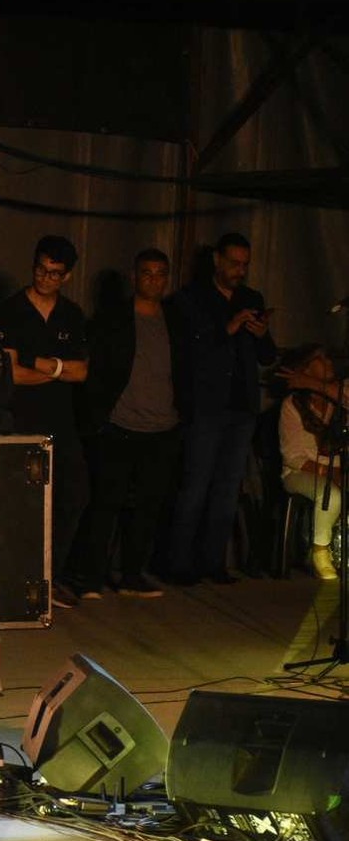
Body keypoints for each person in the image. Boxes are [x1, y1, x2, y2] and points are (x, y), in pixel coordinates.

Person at [165, 233, 277, 584]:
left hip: (241, 407)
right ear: (217, 260)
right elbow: (186, 355)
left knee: (228, 488)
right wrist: (227, 329)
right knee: (195, 485)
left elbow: (267, 357)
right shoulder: (191, 300)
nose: (239, 271)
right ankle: (178, 564)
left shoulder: (251, 298)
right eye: (233, 263)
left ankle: (213, 562)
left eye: (244, 265)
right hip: (207, 406)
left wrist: (261, 334)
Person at [71, 248, 181, 598]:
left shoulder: (174, 319)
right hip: (119, 425)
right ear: (135, 277)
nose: (154, 280)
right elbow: (97, 371)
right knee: (106, 504)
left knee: (148, 507)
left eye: (160, 274)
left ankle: (132, 575)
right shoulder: (114, 319)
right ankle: (91, 578)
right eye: (147, 273)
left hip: (162, 427)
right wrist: (99, 417)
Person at [0, 235, 89, 607]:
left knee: (74, 494)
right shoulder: (10, 311)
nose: (46, 278)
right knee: (20, 502)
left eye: (54, 273)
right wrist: (60, 370)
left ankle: (51, 577)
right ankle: (17, 581)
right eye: (41, 270)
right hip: (20, 419)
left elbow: (82, 372)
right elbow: (12, 373)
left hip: (62, 420)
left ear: (67, 276)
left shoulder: (72, 314)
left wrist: (41, 364)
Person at [276, 344, 343, 580]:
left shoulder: (336, 401)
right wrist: (329, 472)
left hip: (336, 469)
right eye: (320, 359)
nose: (329, 363)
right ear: (305, 368)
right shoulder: (292, 405)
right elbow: (293, 457)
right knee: (330, 494)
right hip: (299, 472)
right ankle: (320, 551)